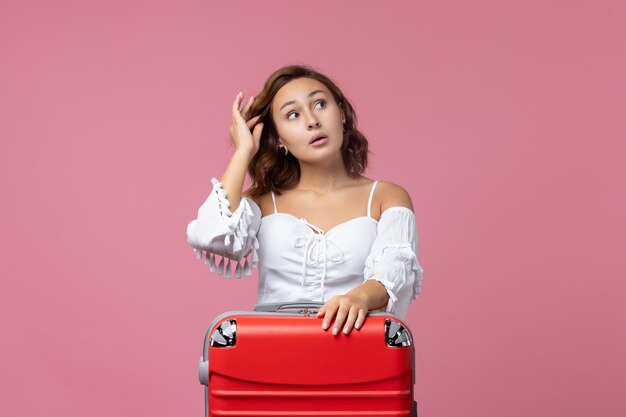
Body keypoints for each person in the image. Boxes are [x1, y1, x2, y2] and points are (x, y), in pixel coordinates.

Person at [187, 64, 424, 337]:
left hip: (358, 352)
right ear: (279, 139)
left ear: (342, 115)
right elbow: (211, 235)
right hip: (272, 351)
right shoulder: (263, 202)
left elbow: (396, 270)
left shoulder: (386, 197)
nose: (312, 120)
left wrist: (359, 297)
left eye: (320, 103)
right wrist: (243, 152)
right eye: (293, 114)